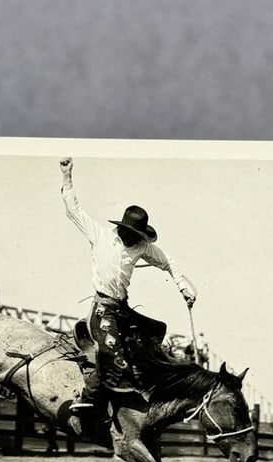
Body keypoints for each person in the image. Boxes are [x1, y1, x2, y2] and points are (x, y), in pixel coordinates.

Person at [59, 157, 197, 414]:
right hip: (102, 309)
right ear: (124, 229)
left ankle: (144, 377)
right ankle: (87, 396)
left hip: (121, 308)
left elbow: (167, 261)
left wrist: (183, 286)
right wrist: (67, 177)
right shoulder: (100, 236)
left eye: (140, 237)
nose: (136, 240)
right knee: (112, 351)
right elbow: (73, 210)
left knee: (157, 329)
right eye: (134, 235)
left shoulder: (142, 247)